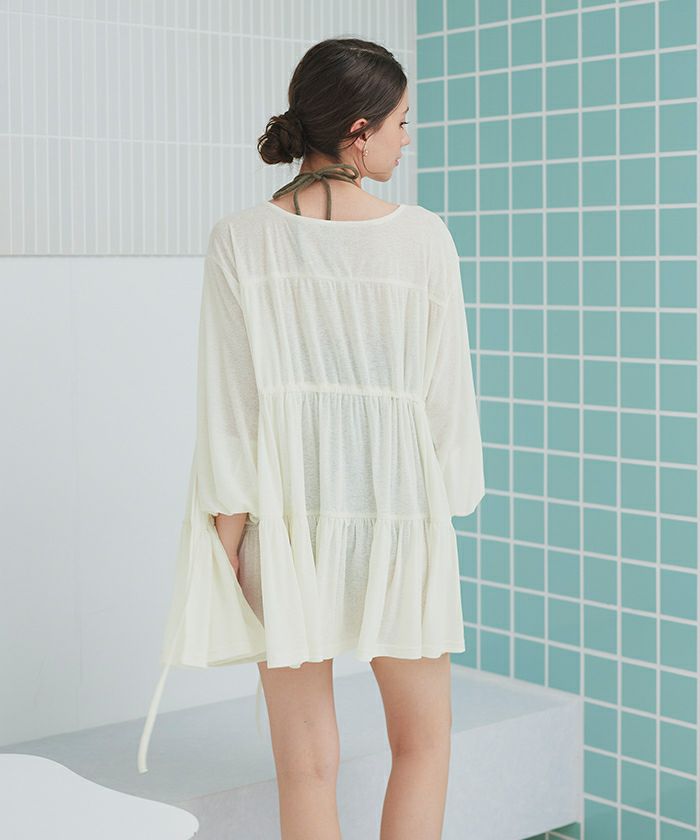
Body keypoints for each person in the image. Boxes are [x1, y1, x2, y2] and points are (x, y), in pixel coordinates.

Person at [138, 36, 485, 840]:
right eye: (402, 121)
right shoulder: (423, 237)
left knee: (305, 767)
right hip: (400, 518)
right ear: (359, 131)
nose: (407, 139)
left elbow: (231, 408)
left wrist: (229, 538)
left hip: (284, 526)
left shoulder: (240, 238)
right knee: (425, 745)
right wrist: (442, 504)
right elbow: (446, 402)